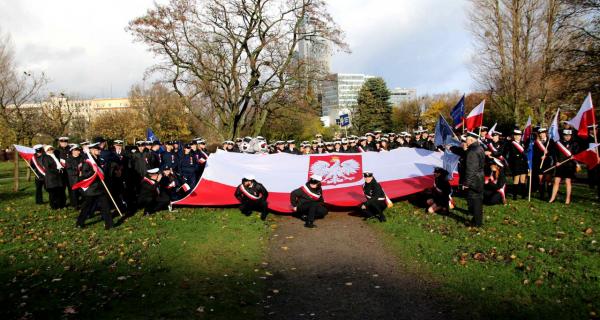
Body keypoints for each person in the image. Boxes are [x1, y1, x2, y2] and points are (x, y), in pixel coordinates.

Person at [76, 142, 113, 230]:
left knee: (105, 206)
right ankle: (79, 223)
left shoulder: (98, 159)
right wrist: (93, 171)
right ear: (92, 150)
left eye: (99, 149)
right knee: (87, 207)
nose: (99, 151)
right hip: (92, 189)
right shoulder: (88, 161)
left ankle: (109, 224)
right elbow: (84, 174)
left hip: (100, 187)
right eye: (97, 149)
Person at [549, 129, 579, 204]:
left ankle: (567, 199)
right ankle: (552, 198)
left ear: (571, 136)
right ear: (563, 135)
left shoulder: (574, 143)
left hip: (569, 165)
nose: (567, 137)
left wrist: (574, 156)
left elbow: (576, 153)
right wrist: (556, 162)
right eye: (566, 136)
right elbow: (555, 154)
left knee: (568, 182)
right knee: (556, 181)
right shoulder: (558, 143)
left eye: (569, 136)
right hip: (560, 165)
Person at [464, 132, 485, 227]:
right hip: (479, 177)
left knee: (475, 201)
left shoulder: (472, 151)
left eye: (467, 140)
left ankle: (477, 223)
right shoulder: (479, 148)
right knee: (478, 200)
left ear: (471, 140)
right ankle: (477, 220)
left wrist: (467, 183)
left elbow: (471, 169)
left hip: (474, 180)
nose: (465, 141)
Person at [504, 129, 529, 200]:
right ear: (514, 136)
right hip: (516, 163)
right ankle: (514, 196)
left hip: (523, 163)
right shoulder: (512, 143)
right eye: (517, 135)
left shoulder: (523, 143)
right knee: (516, 179)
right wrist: (521, 156)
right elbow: (514, 154)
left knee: (523, 179)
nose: (518, 137)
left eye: (520, 135)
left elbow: (526, 151)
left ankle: (523, 195)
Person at [41, 145, 66, 209]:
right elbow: (48, 168)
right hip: (51, 178)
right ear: (46, 151)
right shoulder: (45, 157)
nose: (50, 150)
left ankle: (60, 205)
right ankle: (54, 207)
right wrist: (57, 171)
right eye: (48, 149)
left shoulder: (54, 156)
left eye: (51, 149)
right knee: (53, 194)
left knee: (59, 193)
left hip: (58, 177)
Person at [65, 144, 84, 209]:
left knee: (83, 192)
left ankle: (83, 204)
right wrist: (78, 172)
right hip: (73, 179)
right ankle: (75, 205)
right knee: (74, 193)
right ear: (72, 151)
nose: (78, 152)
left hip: (82, 178)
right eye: (76, 150)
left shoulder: (82, 158)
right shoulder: (68, 160)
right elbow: (69, 170)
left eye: (79, 150)